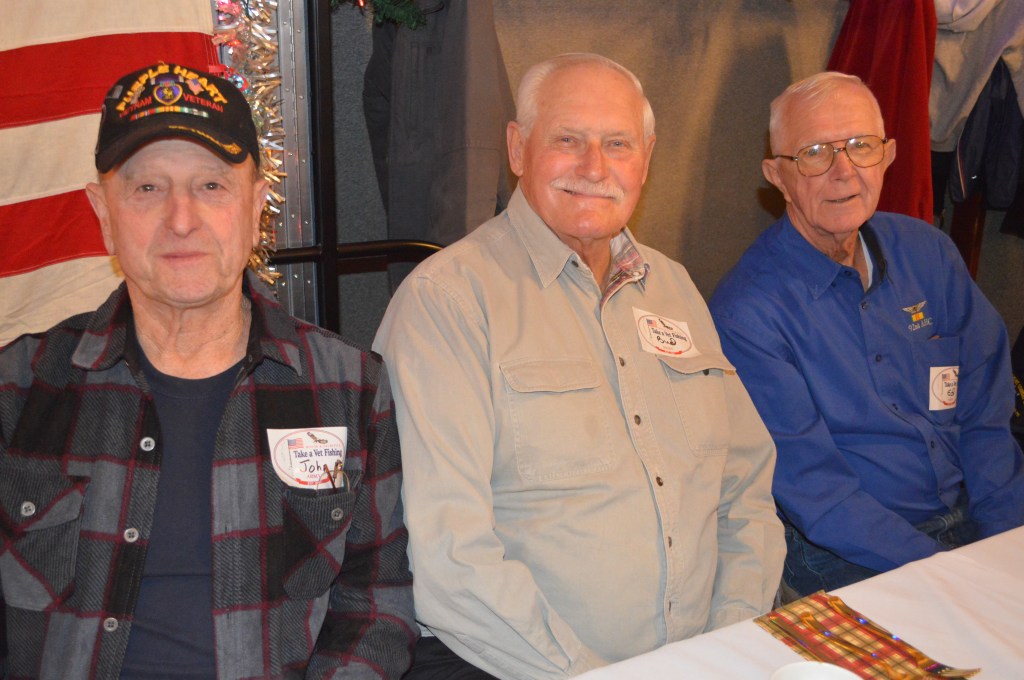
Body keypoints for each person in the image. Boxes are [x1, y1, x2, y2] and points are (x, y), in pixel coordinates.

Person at [373, 52, 784, 680]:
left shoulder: (673, 287)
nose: (594, 168)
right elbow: (449, 558)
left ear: (647, 157)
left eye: (618, 144)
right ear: (518, 149)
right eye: (568, 140)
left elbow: (746, 491)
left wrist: (729, 648)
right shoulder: (448, 303)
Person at [0, 63, 416, 678]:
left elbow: (376, 607)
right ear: (104, 214)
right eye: (147, 188)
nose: (181, 219)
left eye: (212, 186)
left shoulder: (351, 390)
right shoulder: (19, 389)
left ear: (256, 208)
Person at [709, 72, 1024, 597]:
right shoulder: (747, 313)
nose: (844, 171)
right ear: (777, 176)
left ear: (889, 156)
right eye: (814, 153)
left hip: (972, 514)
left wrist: (1005, 541)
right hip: (844, 554)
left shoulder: (930, 254)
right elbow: (819, 495)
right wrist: (956, 576)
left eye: (861, 146)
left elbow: (986, 420)